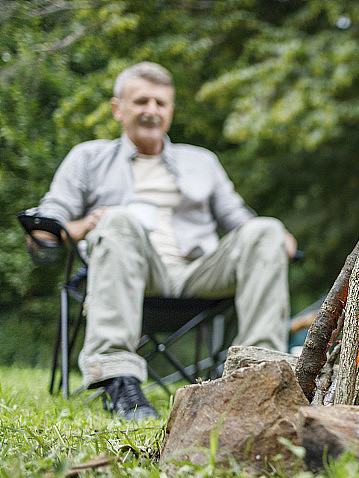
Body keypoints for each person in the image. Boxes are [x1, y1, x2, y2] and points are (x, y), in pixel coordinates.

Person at [37, 61, 296, 422]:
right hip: (130, 271)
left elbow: (241, 221)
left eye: (161, 103)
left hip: (198, 273)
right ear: (118, 108)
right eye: (141, 101)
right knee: (119, 219)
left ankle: (257, 375)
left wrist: (276, 237)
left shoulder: (202, 162)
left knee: (266, 229)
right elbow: (47, 222)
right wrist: (82, 226)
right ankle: (118, 378)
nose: (151, 111)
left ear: (171, 110)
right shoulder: (87, 158)